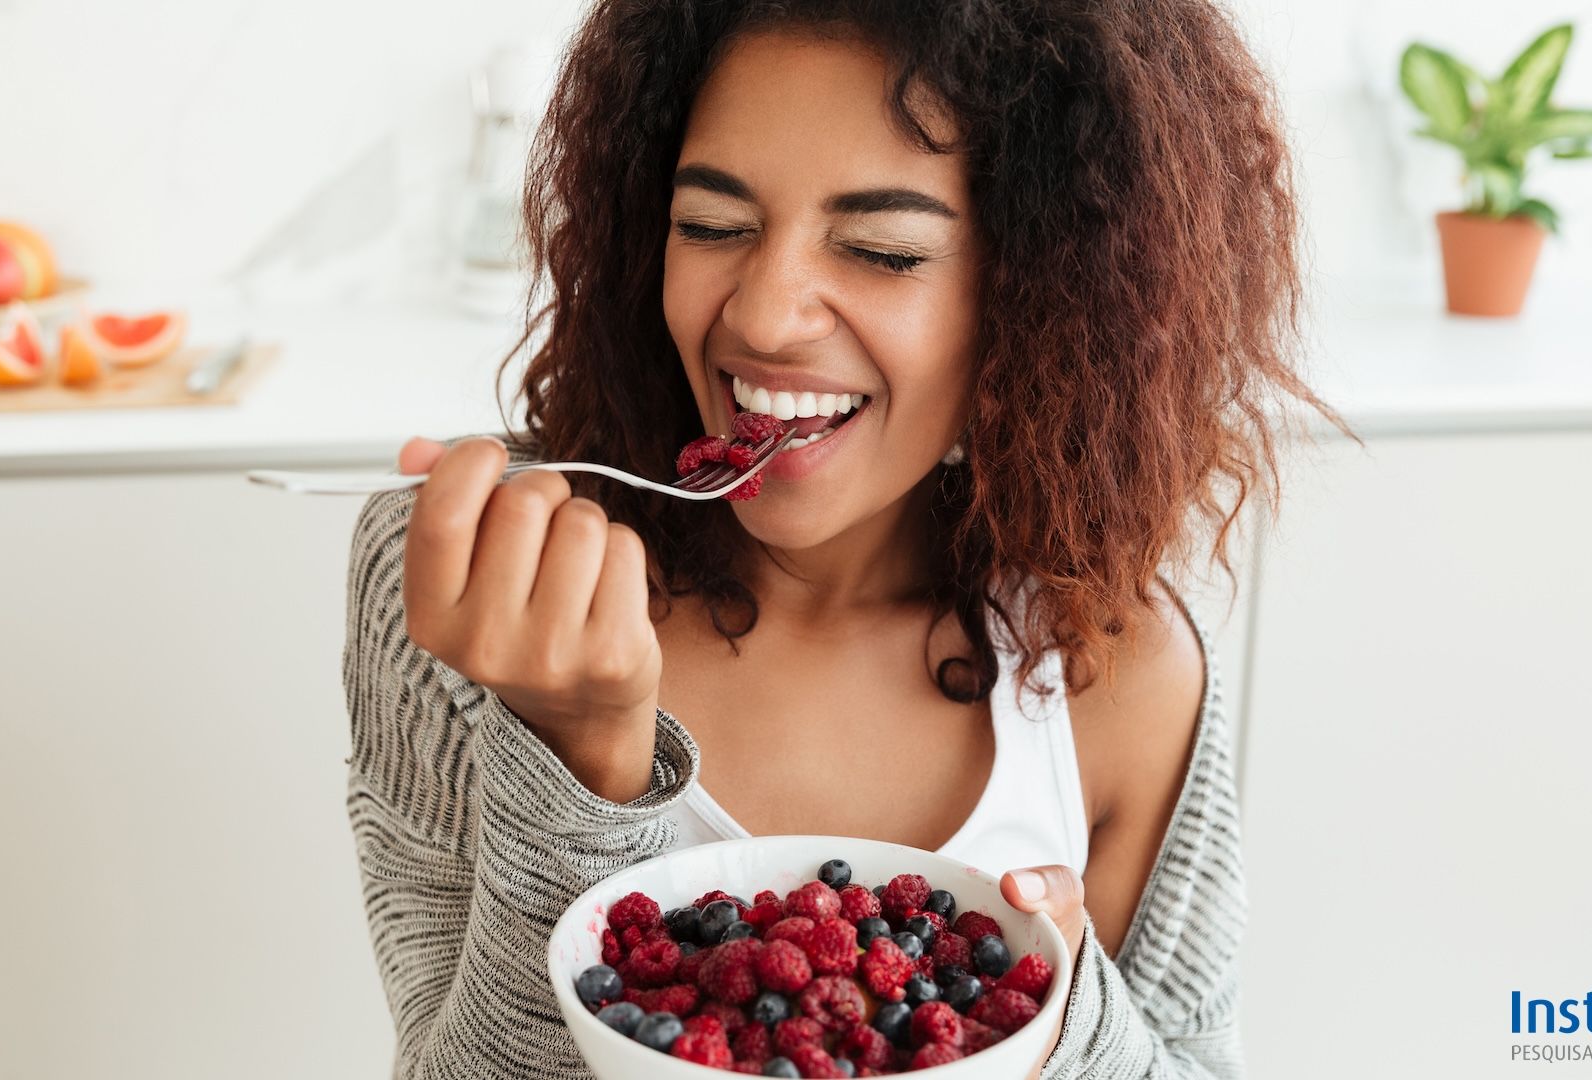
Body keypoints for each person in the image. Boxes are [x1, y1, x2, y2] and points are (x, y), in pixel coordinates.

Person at [342, 0, 1344, 1075]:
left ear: (1044, 289)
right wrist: (577, 766)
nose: (766, 317)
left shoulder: (1115, 662)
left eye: (880, 249)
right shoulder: (486, 592)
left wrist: (1061, 1027)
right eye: (713, 226)